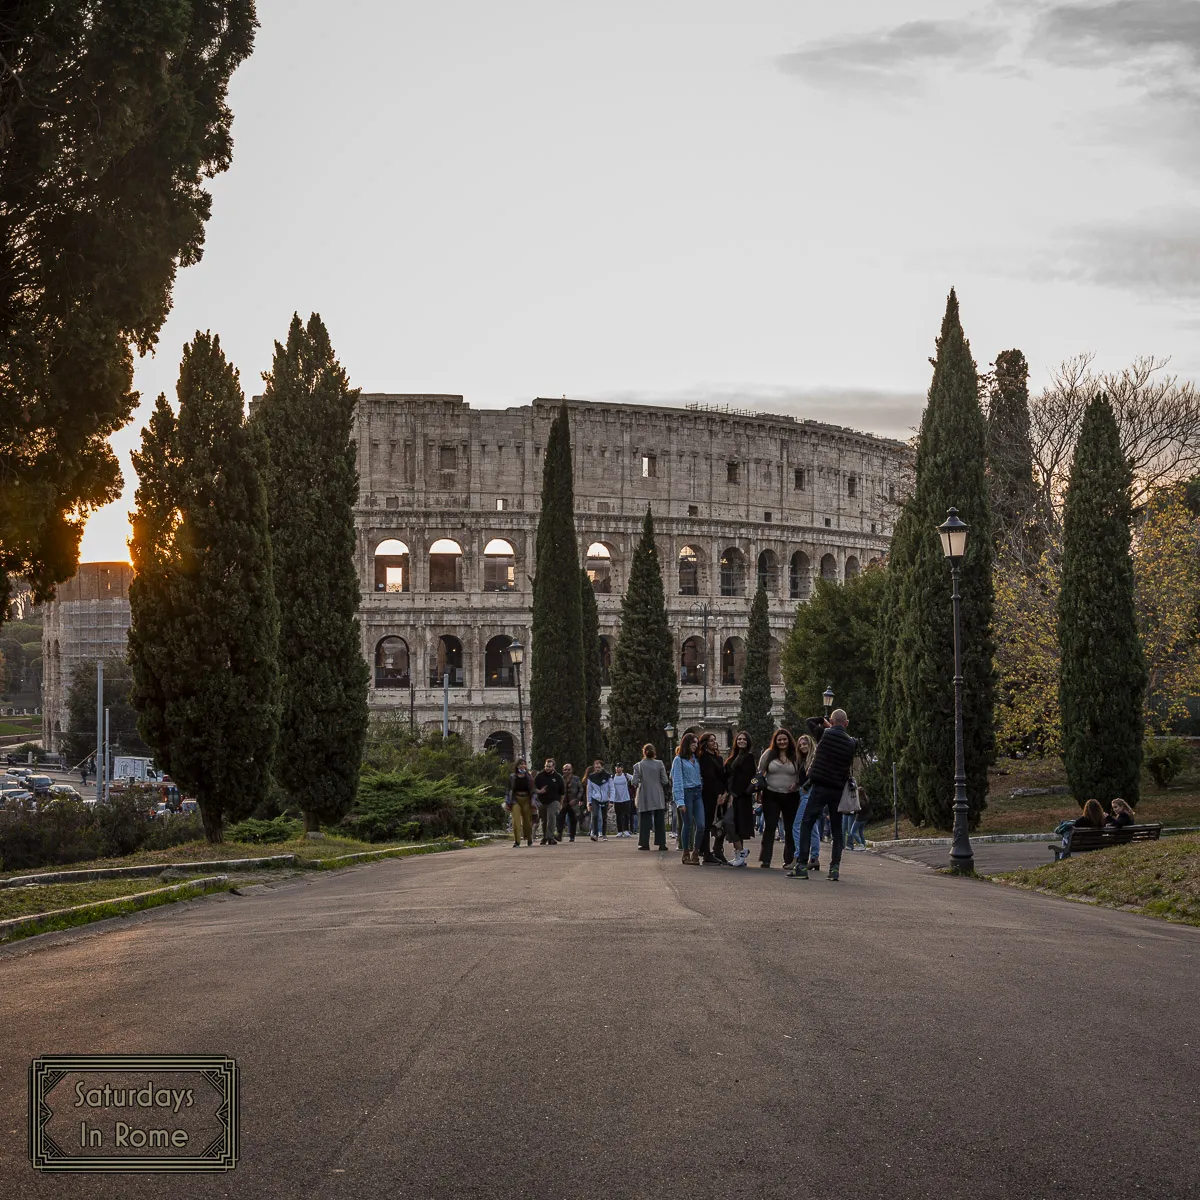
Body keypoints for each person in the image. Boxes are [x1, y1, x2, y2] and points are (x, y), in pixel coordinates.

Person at [789, 709, 857, 881]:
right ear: (847, 724)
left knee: (807, 823)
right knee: (836, 830)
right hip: (838, 789)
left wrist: (824, 721)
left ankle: (802, 866)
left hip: (819, 786)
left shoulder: (823, 735)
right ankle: (834, 869)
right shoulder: (852, 743)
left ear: (832, 722)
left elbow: (809, 721)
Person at [757, 729, 804, 869]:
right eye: (779, 740)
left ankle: (789, 859)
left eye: (785, 739)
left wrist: (797, 784)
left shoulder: (796, 755)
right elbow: (760, 772)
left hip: (791, 796)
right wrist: (758, 792)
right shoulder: (768, 754)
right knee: (770, 827)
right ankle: (766, 859)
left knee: (790, 828)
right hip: (771, 794)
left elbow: (802, 773)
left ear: (789, 740)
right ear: (775, 742)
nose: (782, 742)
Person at [723, 731, 757, 867]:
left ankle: (741, 852)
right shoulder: (732, 757)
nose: (741, 741)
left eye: (744, 739)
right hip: (730, 795)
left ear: (748, 742)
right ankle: (739, 854)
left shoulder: (748, 757)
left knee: (730, 822)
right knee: (734, 825)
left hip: (740, 796)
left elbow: (745, 778)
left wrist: (734, 794)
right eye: (739, 739)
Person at [670, 733, 705, 865]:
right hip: (686, 793)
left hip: (697, 792)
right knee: (688, 824)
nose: (695, 745)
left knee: (701, 825)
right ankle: (686, 852)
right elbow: (677, 781)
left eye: (696, 743)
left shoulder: (696, 759)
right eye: (693, 743)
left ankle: (696, 851)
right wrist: (679, 801)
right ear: (686, 744)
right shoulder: (679, 760)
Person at [791, 733, 823, 872]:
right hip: (806, 793)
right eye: (801, 744)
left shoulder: (815, 759)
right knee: (813, 828)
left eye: (805, 744)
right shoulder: (803, 760)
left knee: (797, 826)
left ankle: (799, 856)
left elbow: (816, 777)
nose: (803, 746)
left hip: (809, 794)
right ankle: (814, 858)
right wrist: (797, 784)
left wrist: (805, 787)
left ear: (810, 744)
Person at [697, 732, 729, 864]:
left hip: (721, 793)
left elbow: (722, 777)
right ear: (705, 744)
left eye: (715, 740)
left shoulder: (718, 758)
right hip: (709, 794)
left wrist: (724, 792)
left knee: (720, 822)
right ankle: (705, 852)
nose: (714, 742)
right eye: (711, 740)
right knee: (707, 823)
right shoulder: (703, 757)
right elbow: (710, 778)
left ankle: (717, 849)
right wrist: (718, 795)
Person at [633, 743, 670, 851]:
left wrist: (640, 780)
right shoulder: (659, 764)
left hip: (644, 794)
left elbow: (634, 782)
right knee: (660, 820)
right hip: (657, 794)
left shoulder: (638, 765)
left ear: (643, 752)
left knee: (645, 820)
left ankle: (644, 843)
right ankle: (661, 843)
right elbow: (665, 780)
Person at [533, 758, 564, 845]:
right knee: (544, 820)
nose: (547, 768)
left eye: (549, 766)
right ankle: (545, 837)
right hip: (542, 801)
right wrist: (539, 791)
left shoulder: (558, 777)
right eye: (546, 766)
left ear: (553, 767)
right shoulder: (539, 776)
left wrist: (561, 804)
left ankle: (550, 837)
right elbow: (533, 788)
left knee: (551, 817)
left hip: (554, 801)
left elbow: (562, 793)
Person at [507, 759, 535, 847]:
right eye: (520, 764)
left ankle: (529, 839)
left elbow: (533, 790)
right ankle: (517, 841)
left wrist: (534, 800)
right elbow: (508, 790)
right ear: (517, 766)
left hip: (526, 799)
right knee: (516, 821)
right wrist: (507, 802)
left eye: (524, 764)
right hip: (515, 799)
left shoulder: (529, 777)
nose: (522, 766)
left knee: (527, 821)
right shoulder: (512, 776)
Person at [586, 759, 612, 840]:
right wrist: (589, 802)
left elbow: (612, 788)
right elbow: (589, 790)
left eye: (599, 767)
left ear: (602, 767)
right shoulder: (591, 777)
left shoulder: (608, 776)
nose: (597, 768)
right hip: (595, 799)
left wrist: (611, 800)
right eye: (596, 767)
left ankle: (604, 834)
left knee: (604, 817)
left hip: (605, 799)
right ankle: (595, 834)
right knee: (595, 815)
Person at [559, 763, 584, 842]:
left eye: (569, 769)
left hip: (573, 803)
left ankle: (572, 836)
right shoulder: (560, 779)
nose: (567, 771)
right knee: (560, 820)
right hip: (563, 803)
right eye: (565, 770)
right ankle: (559, 835)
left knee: (573, 820)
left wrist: (577, 799)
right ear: (563, 770)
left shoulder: (576, 779)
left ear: (572, 770)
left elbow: (581, 789)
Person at [611, 764, 633, 836]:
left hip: (626, 798)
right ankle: (619, 831)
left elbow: (634, 779)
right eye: (616, 767)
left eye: (619, 767)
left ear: (622, 768)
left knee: (626, 815)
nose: (618, 768)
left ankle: (626, 830)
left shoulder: (626, 776)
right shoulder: (612, 777)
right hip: (617, 799)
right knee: (618, 815)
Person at [846, 785, 870, 850]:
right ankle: (864, 845)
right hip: (865, 818)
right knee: (861, 832)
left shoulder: (860, 801)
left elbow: (858, 810)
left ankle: (861, 844)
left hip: (859, 818)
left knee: (852, 832)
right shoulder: (867, 798)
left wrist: (853, 811)